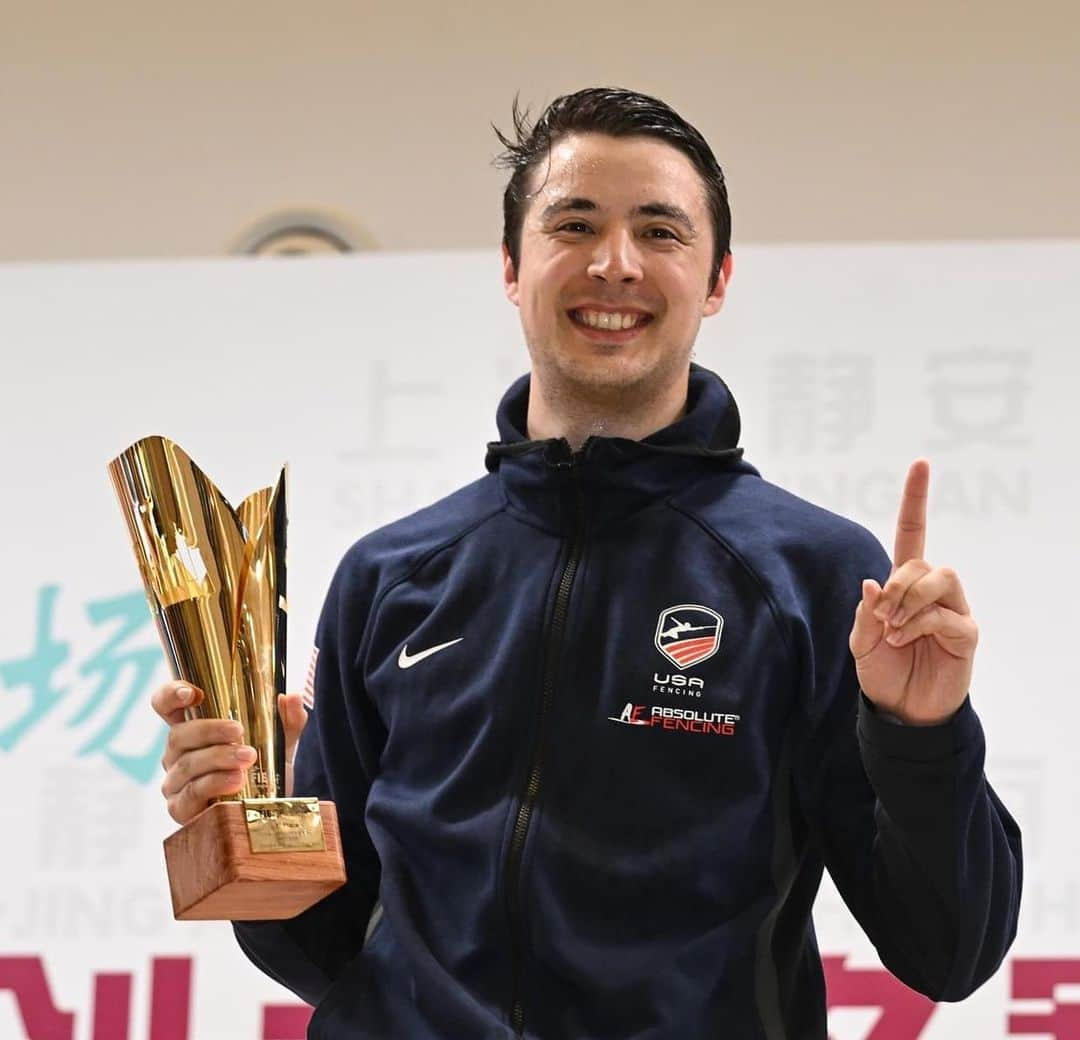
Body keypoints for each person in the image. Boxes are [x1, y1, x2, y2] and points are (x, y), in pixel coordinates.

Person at [152, 87, 1022, 1039]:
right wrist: (240, 825)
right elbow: (321, 947)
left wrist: (923, 733)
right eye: (576, 224)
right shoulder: (391, 576)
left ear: (718, 277)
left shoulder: (812, 575)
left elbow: (950, 948)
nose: (615, 264)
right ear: (512, 268)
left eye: (660, 232)